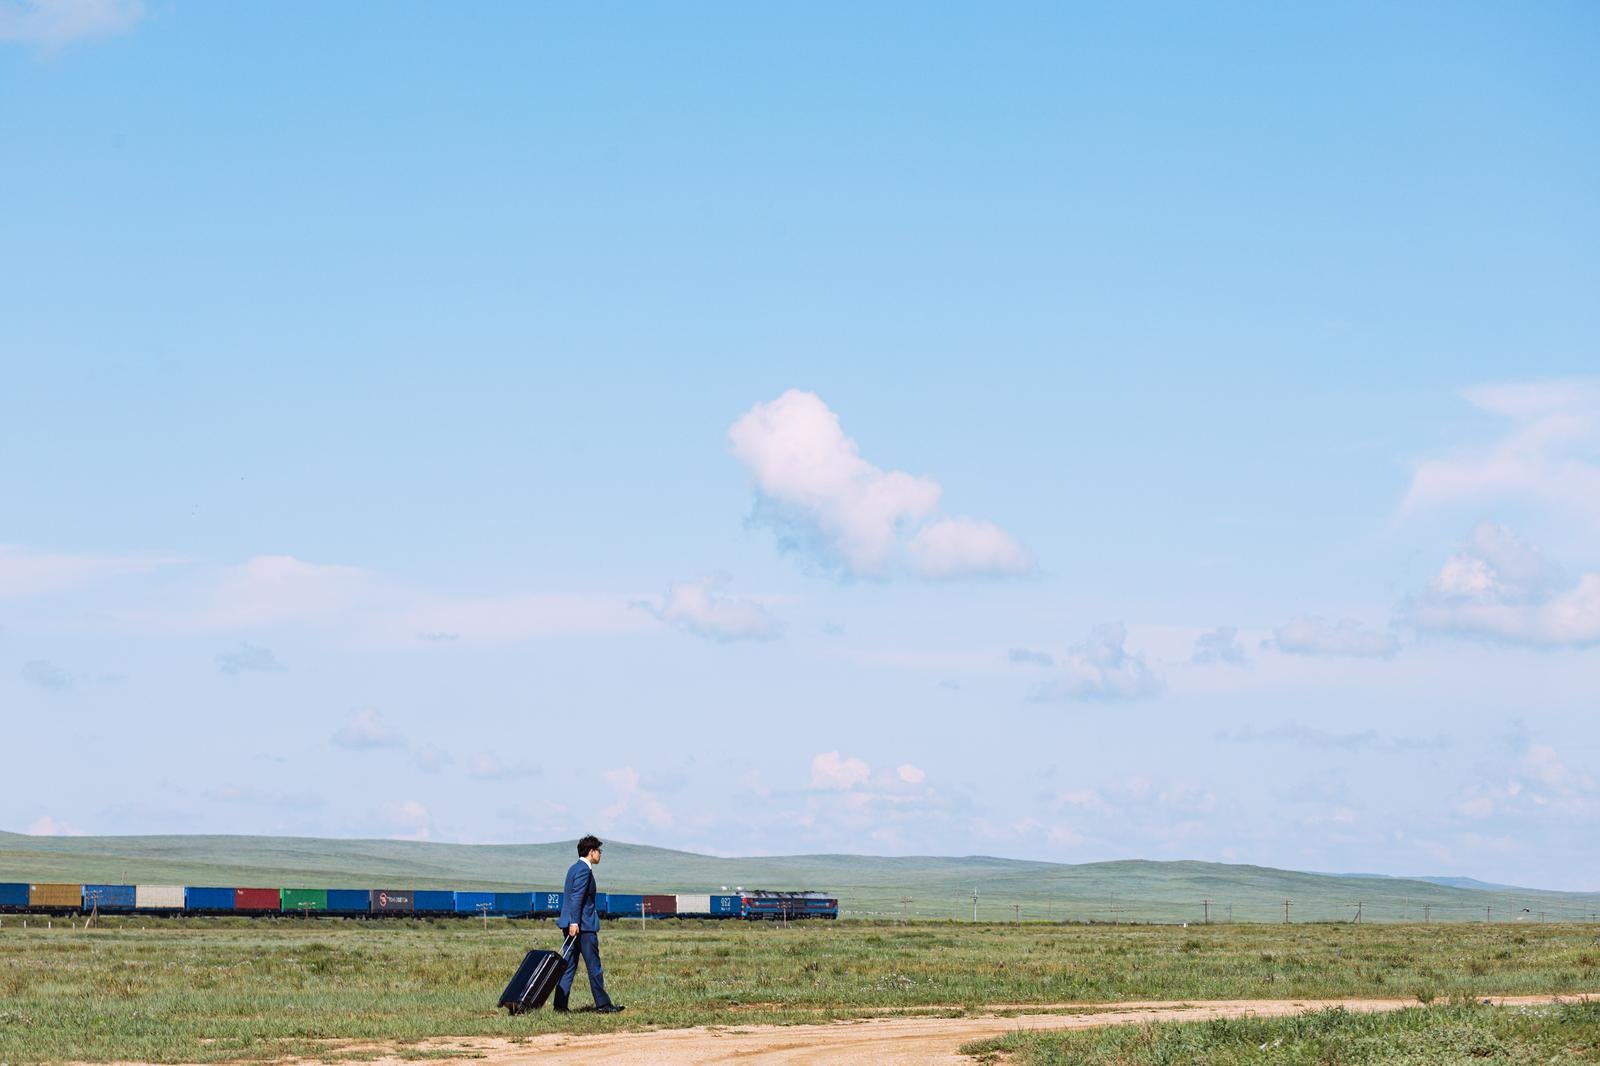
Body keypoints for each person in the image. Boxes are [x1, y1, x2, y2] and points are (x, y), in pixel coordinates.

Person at [553, 834, 622, 1013]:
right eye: (598, 850)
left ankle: (560, 1006)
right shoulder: (584, 870)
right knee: (594, 967)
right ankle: (603, 1005)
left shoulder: (573, 868)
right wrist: (575, 922)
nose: (600, 854)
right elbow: (577, 898)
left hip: (572, 925)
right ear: (591, 852)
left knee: (567, 966)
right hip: (582, 927)